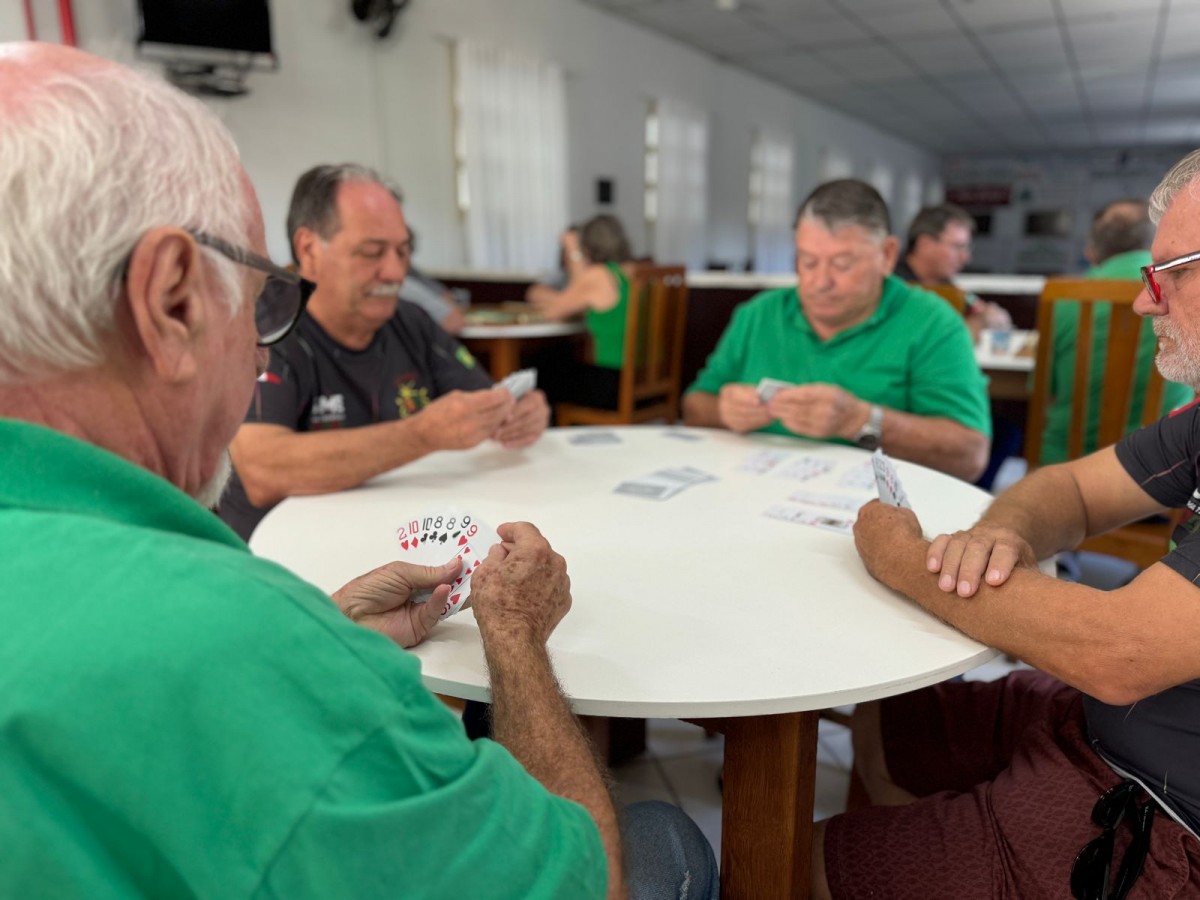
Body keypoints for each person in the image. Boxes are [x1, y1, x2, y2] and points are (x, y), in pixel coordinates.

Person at [0, 43, 716, 899]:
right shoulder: (244, 642)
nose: (393, 271)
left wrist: (331, 626)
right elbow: (583, 880)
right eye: (259, 296)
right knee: (666, 835)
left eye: (402, 250)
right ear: (174, 300)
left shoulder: (410, 330)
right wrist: (515, 640)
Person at [815, 150, 1200, 899]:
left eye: (1168, 276)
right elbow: (1072, 491)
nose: (1142, 304)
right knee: (889, 720)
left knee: (787, 861)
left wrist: (902, 556)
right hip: (1104, 725)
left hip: (1167, 819)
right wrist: (1009, 534)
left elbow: (1119, 652)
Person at [219, 164, 551, 541]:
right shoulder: (266, 326)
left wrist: (518, 410)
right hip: (282, 556)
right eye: (372, 252)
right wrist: (422, 434)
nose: (395, 273)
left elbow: (486, 400)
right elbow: (262, 468)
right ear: (309, 249)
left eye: (403, 251)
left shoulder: (411, 322)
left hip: (394, 541)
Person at [683, 179, 991, 483]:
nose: (820, 282)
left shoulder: (933, 323)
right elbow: (695, 406)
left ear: (887, 256)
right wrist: (724, 411)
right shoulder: (759, 314)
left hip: (875, 511)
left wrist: (861, 420)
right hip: (752, 489)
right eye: (807, 262)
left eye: (842, 264)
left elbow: (970, 457)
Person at [1039, 198, 1194, 464]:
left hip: (1066, 462)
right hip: (1164, 466)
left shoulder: (1063, 298)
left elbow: (1045, 391)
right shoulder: (1187, 292)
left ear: (1093, 251)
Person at [526, 215, 634, 411]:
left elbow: (554, 312)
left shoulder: (598, 275)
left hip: (611, 384)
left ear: (587, 246)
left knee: (539, 371)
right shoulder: (629, 272)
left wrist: (572, 251)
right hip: (637, 379)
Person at [894, 202, 1012, 339]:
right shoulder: (891, 286)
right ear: (924, 244)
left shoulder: (949, 290)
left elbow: (983, 312)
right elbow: (930, 344)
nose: (966, 258)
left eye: (967, 248)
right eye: (957, 247)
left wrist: (989, 316)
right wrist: (977, 323)